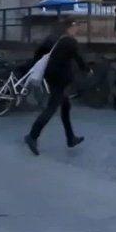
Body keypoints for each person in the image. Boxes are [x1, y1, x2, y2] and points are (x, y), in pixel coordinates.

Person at [24, 18, 88, 156]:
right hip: (60, 79)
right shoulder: (70, 41)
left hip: (51, 76)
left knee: (65, 106)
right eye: (76, 27)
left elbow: (39, 52)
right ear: (69, 28)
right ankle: (32, 136)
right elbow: (79, 59)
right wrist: (87, 70)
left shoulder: (53, 38)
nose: (77, 30)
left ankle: (70, 138)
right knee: (52, 108)